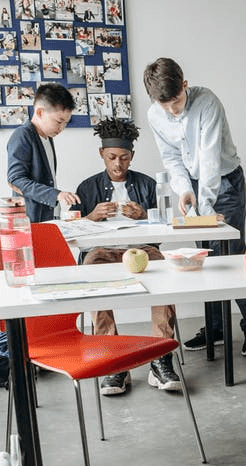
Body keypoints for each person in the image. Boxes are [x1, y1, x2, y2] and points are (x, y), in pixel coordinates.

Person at [143, 57, 246, 356]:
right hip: (195, 185)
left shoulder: (208, 102)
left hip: (225, 182)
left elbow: (209, 159)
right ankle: (216, 329)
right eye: (164, 104)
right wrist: (185, 191)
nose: (172, 109)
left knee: (233, 254)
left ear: (185, 85)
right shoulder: (155, 115)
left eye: (176, 100)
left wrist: (206, 208)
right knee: (203, 258)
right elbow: (171, 158)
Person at [68, 118, 182, 396]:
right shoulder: (87, 187)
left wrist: (145, 216)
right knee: (90, 267)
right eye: (112, 158)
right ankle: (114, 360)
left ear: (132, 156)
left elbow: (166, 227)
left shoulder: (147, 184)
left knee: (164, 268)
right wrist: (90, 217)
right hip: (104, 253)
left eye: (124, 157)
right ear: (101, 155)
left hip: (142, 250)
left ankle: (160, 357)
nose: (118, 164)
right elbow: (74, 232)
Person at [6, 82, 79, 222]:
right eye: (59, 122)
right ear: (39, 112)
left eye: (66, 123)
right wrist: (56, 195)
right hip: (31, 220)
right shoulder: (22, 135)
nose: (62, 128)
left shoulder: (47, 137)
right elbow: (15, 180)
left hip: (49, 216)